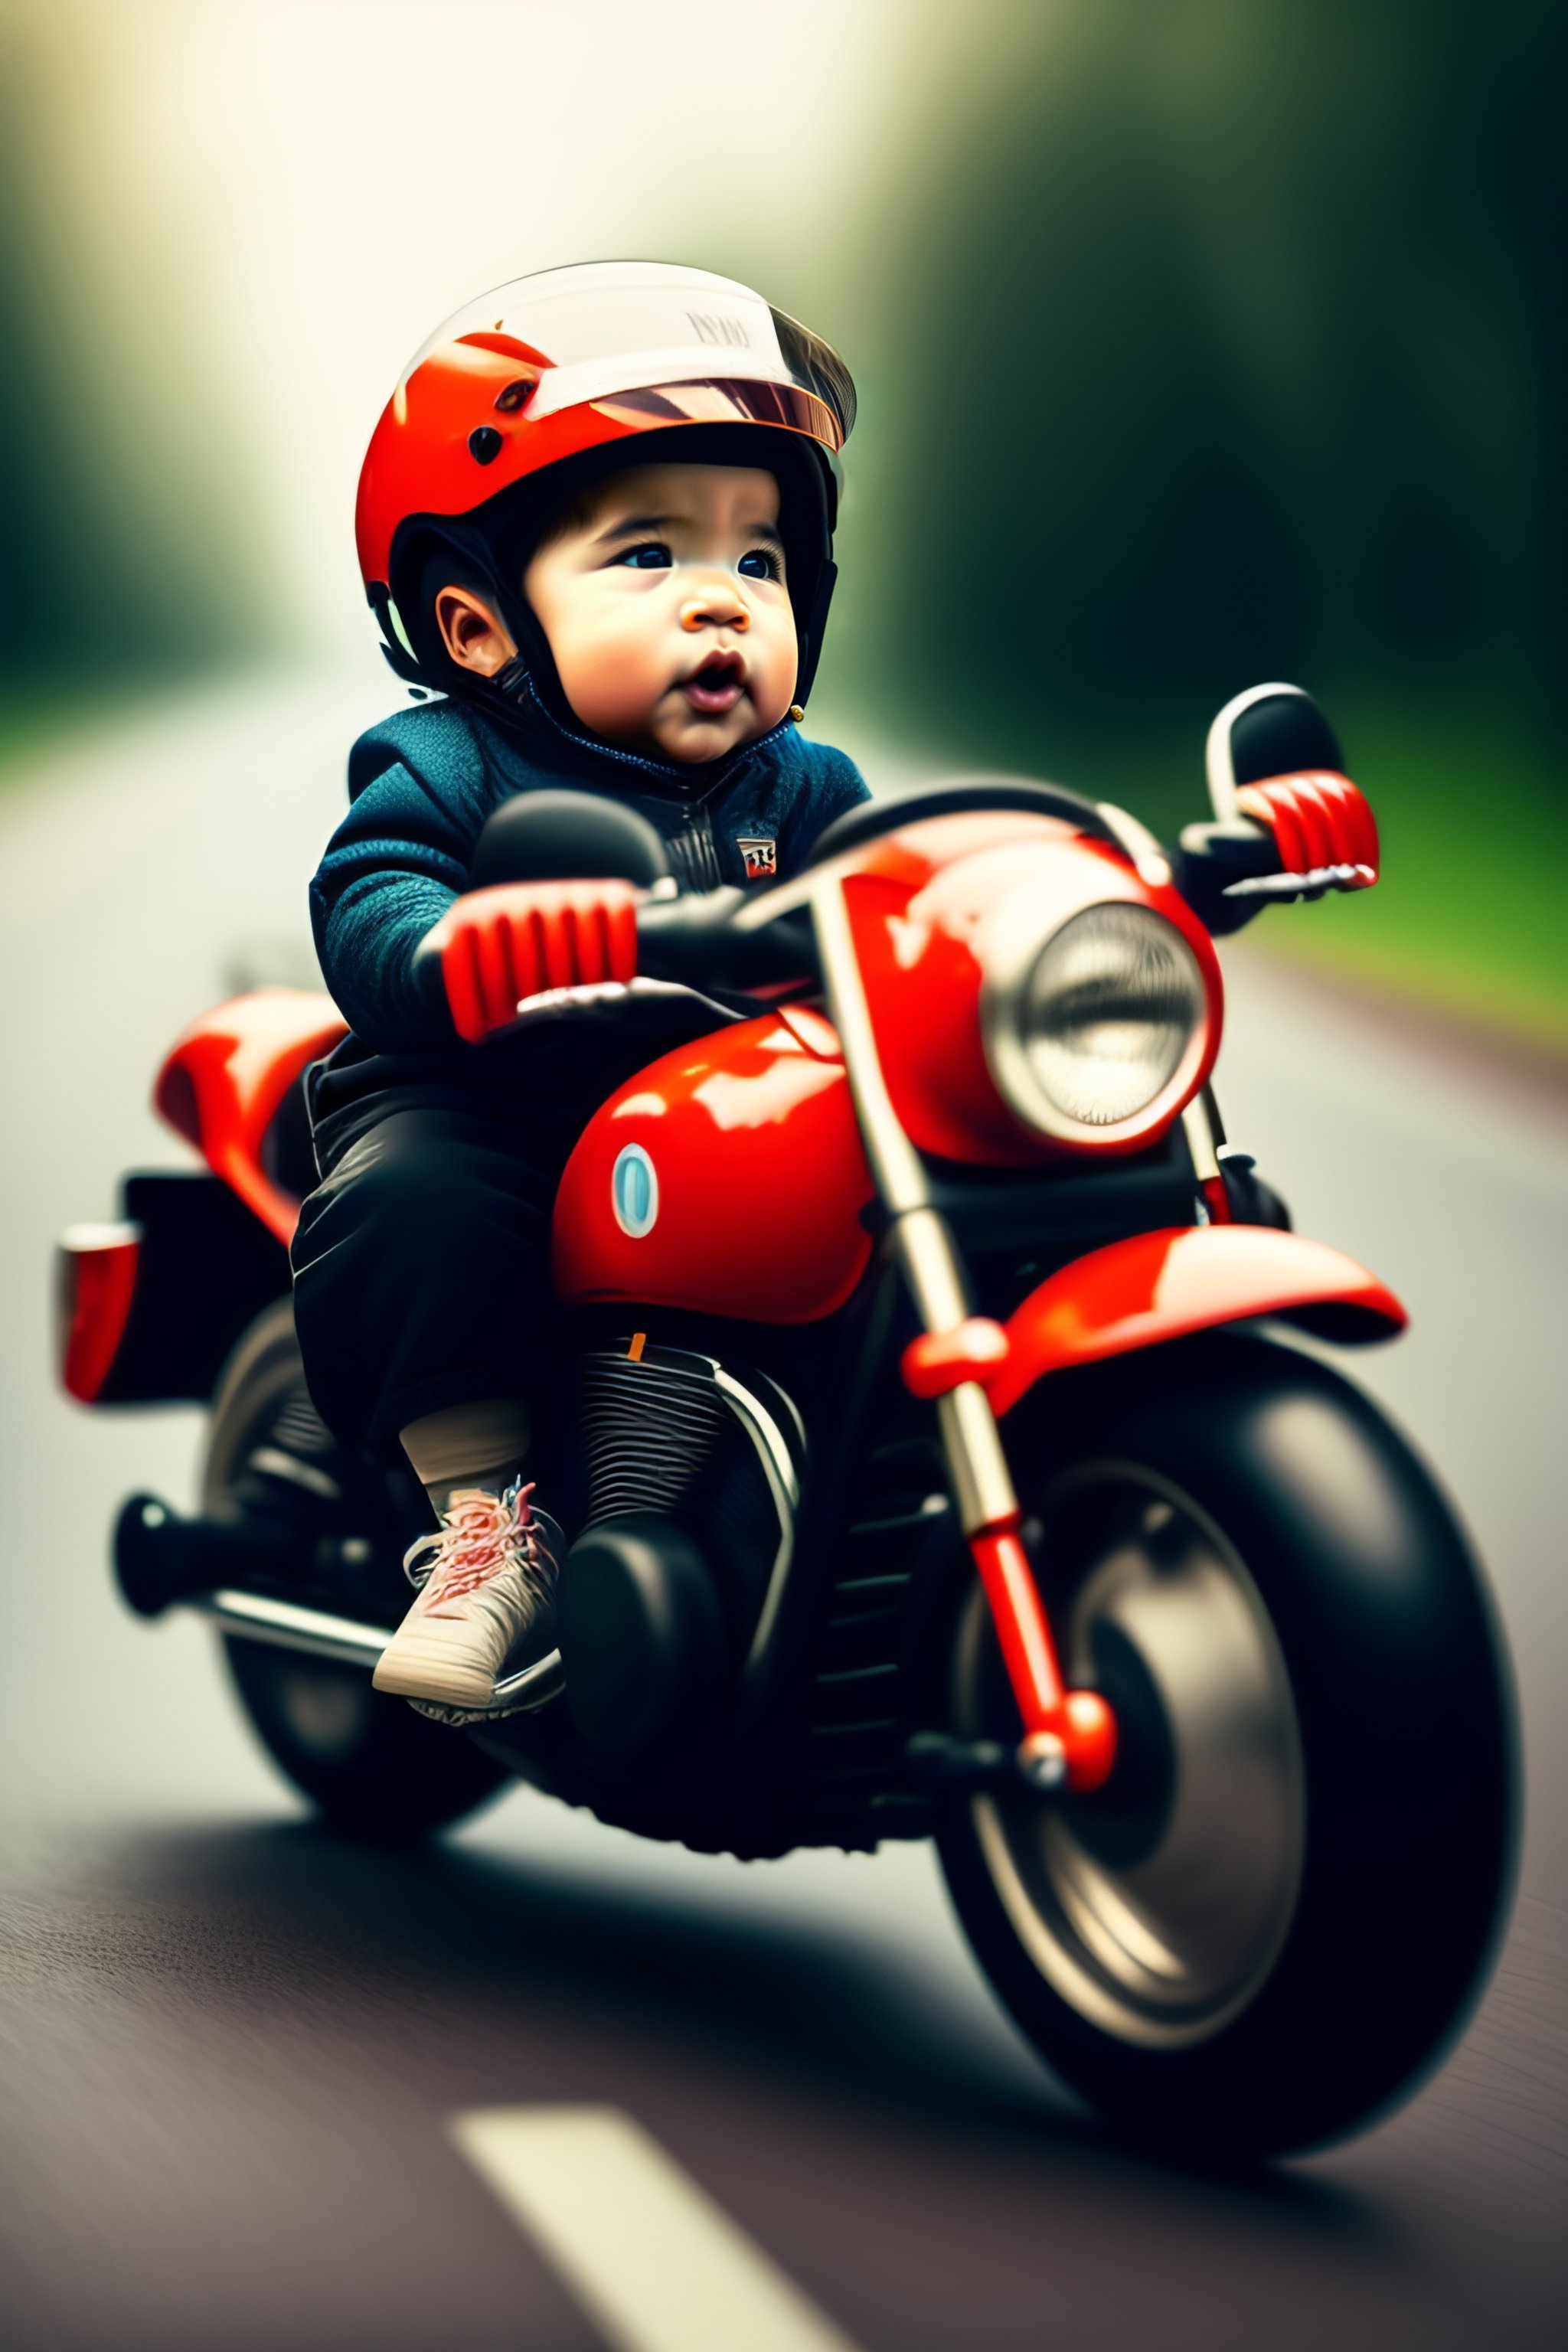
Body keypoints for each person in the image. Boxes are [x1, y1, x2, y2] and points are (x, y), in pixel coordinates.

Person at [290, 263, 869, 1714]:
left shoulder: (811, 786)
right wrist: (448, 945)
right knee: (420, 1197)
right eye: (648, 557)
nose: (722, 605)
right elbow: (371, 886)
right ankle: (487, 1523)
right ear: (480, 624)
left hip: (728, 1117)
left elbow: (913, 892)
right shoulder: (453, 764)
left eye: (759, 561)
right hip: (502, 1096)